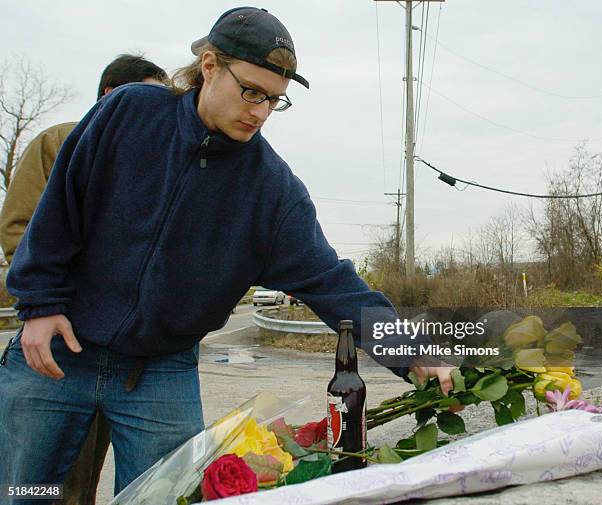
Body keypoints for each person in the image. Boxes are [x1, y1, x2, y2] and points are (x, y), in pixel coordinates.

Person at [0, 7, 455, 502]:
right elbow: (59, 209)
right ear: (210, 66)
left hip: (158, 371)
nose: (259, 111)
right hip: (57, 350)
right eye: (251, 92)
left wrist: (410, 351)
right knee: (25, 489)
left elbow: (331, 282)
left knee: (162, 497)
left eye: (275, 101)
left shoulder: (271, 193)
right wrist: (40, 305)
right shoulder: (128, 113)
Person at [0, 54, 168, 505]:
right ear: (114, 97)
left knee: (105, 475)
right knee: (35, 479)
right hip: (59, 340)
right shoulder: (57, 142)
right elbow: (20, 230)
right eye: (151, 97)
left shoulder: (158, 160)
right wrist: (48, 302)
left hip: (129, 353)